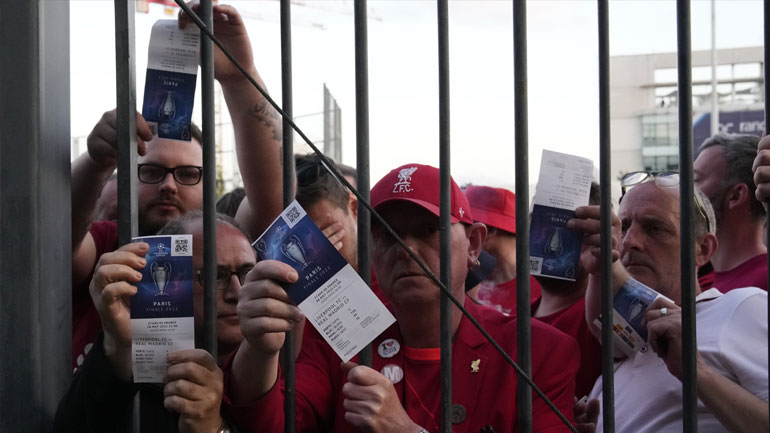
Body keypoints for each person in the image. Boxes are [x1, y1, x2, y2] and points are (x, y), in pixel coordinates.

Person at [223, 163, 580, 433]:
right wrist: (260, 348)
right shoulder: (343, 336)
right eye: (388, 234)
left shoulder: (538, 351)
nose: (405, 249)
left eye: (428, 229)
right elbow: (274, 423)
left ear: (473, 244)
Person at [70, 4, 284, 369]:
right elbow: (58, 239)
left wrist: (239, 75)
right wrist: (96, 160)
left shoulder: (231, 243)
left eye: (187, 174)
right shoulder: (108, 244)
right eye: (152, 172)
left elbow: (273, 198)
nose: (169, 185)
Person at [570, 176, 768, 432]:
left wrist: (696, 370)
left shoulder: (740, 307)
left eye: (655, 228)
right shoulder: (625, 350)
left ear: (703, 249)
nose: (630, 241)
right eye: (624, 227)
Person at [54, 212, 256, 433]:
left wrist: (215, 429)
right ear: (171, 282)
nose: (237, 292)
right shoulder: (132, 378)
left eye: (247, 273)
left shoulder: (270, 366)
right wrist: (117, 349)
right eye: (215, 275)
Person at [532, 182, 602, 398]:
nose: (553, 236)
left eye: (572, 228)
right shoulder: (517, 317)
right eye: (541, 221)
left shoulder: (600, 320)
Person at [694, 133, 767, 292]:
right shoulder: (699, 281)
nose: (686, 192)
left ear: (736, 196)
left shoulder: (764, 282)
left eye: (696, 180)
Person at [464, 185, 542, 314]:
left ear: (487, 231)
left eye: (465, 225)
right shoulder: (460, 281)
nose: (456, 234)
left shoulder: (546, 290)